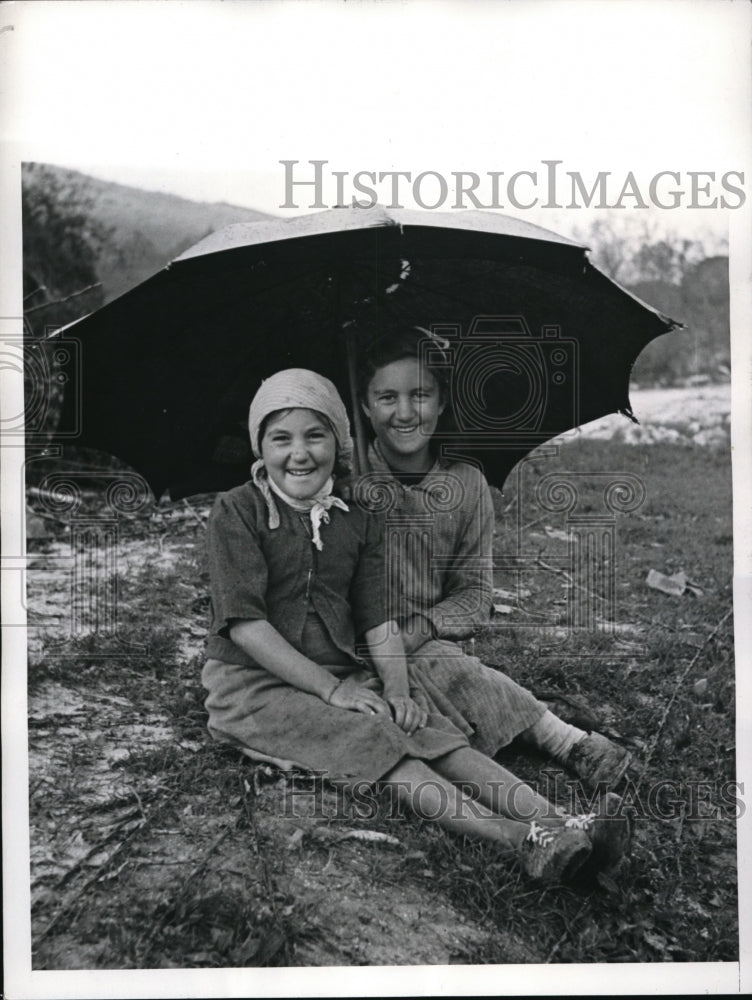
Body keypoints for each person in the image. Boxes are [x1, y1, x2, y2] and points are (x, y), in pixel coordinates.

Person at [201, 368, 627, 885]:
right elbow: (246, 626)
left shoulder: (356, 514)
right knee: (382, 743)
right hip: (255, 690)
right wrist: (334, 691)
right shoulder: (238, 511)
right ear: (260, 446)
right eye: (280, 438)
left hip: (342, 675)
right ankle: (522, 842)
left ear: (338, 442)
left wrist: (399, 690)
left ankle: (557, 824)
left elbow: (376, 618)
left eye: (316, 435)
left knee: (429, 731)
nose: (299, 453)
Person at [355, 328, 633, 789]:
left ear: (442, 402)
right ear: (365, 406)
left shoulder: (466, 485)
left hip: (426, 639)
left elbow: (474, 594)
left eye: (420, 394)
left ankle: (561, 741)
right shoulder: (345, 481)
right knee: (411, 688)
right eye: (386, 397)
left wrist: (420, 628)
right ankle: (545, 735)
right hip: (357, 643)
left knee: (441, 664)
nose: (404, 413)